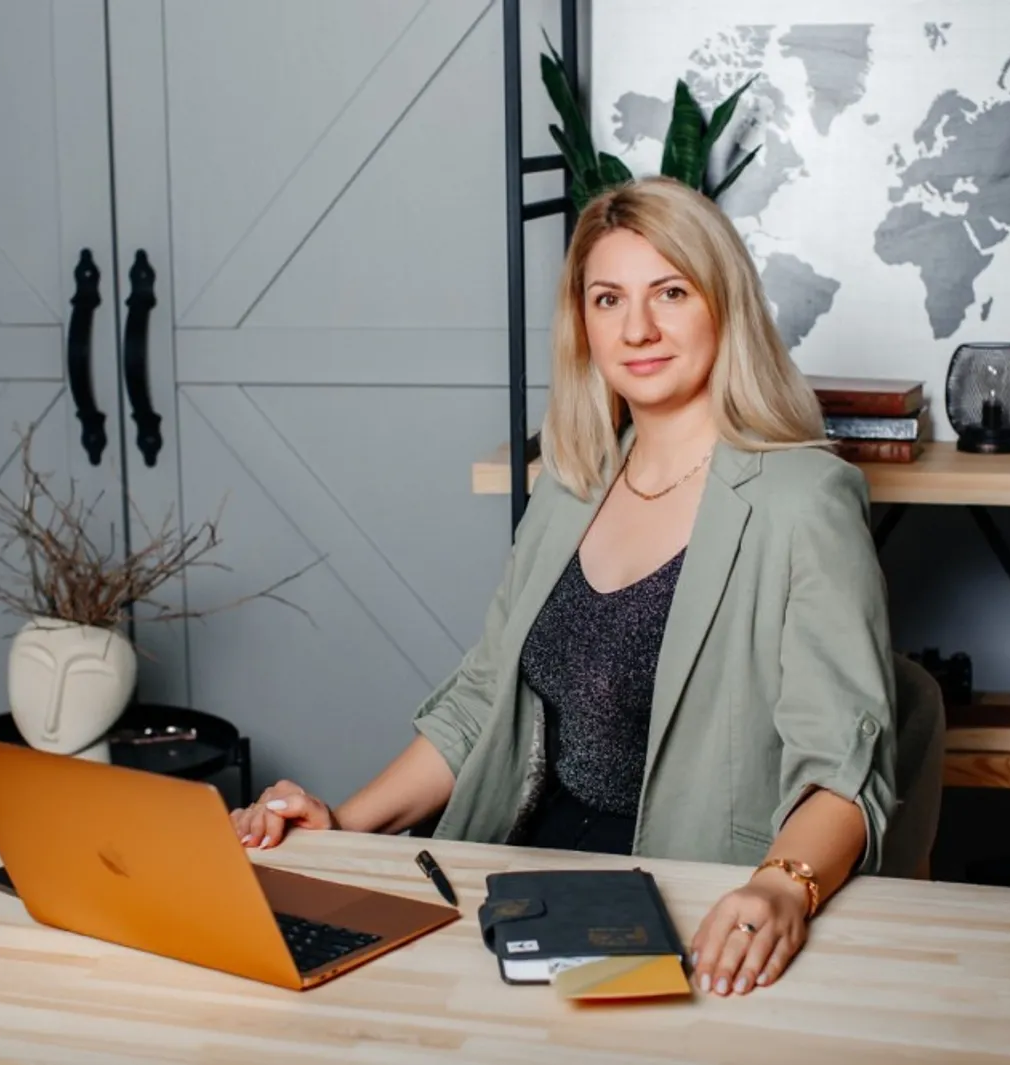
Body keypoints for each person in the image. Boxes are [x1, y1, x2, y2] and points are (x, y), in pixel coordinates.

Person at [232, 176, 902, 998]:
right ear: (582, 323)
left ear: (722, 304)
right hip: (519, 869)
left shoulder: (805, 500)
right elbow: (481, 704)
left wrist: (784, 885)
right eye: (608, 299)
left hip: (693, 894)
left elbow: (844, 767)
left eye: (670, 292)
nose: (638, 328)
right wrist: (341, 823)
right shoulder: (569, 485)